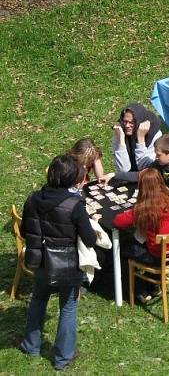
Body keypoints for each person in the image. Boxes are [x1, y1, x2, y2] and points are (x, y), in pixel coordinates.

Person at [19, 155, 96, 370]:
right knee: (68, 307)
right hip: (67, 265)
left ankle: (31, 345)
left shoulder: (33, 198)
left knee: (38, 300)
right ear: (73, 179)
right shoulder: (75, 205)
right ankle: (63, 357)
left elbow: (25, 231)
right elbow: (89, 239)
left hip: (41, 261)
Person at [113, 168, 169, 303]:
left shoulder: (146, 208)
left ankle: (138, 290)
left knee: (123, 250)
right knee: (142, 241)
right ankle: (153, 285)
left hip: (159, 256)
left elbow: (118, 222)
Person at [108, 134, 169, 208]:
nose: (156, 157)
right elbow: (141, 175)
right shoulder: (159, 164)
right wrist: (115, 175)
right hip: (167, 198)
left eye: (159, 155)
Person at [112, 102, 162, 173]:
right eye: (125, 121)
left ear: (140, 122)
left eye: (131, 122)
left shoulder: (154, 134)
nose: (127, 126)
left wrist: (140, 139)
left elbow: (145, 169)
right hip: (127, 177)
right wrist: (121, 141)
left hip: (149, 177)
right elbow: (123, 169)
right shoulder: (120, 132)